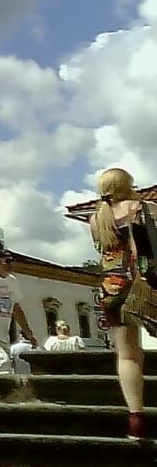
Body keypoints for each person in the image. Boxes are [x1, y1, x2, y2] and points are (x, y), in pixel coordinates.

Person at [90, 167, 155, 440]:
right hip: (146, 283)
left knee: (127, 354)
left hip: (112, 288)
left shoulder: (96, 219)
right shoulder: (143, 207)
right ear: (127, 184)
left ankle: (136, 419)